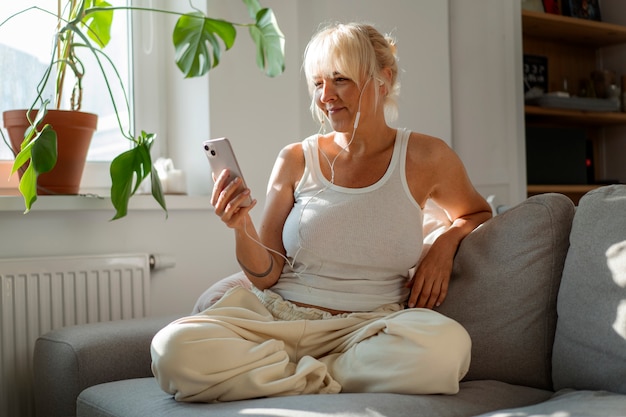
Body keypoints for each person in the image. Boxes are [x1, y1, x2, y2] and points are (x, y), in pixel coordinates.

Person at [151, 22, 493, 403]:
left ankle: (294, 375)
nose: (325, 96)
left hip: (367, 328)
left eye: (340, 80)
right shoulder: (296, 158)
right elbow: (266, 275)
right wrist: (240, 224)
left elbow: (476, 213)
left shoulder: (428, 156)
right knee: (172, 349)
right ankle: (327, 378)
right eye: (317, 84)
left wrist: (444, 245)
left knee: (447, 348)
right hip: (276, 321)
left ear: (384, 79)